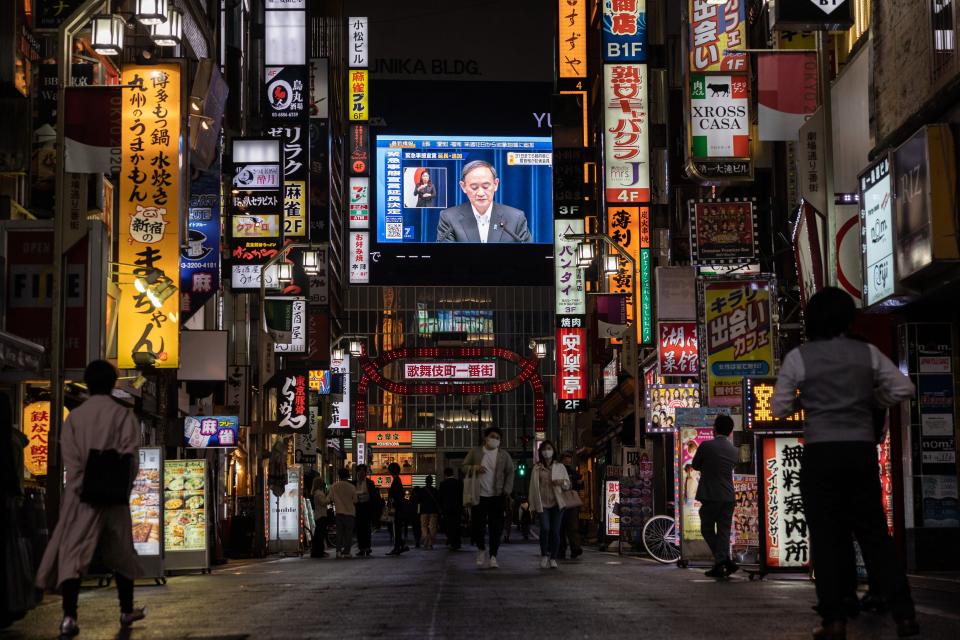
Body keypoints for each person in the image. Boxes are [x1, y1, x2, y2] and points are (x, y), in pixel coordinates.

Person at [772, 287, 919, 640]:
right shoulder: (866, 353)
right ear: (847, 318)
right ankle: (904, 615)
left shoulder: (800, 357)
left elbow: (778, 407)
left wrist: (806, 405)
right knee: (874, 536)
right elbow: (904, 388)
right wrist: (870, 398)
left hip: (821, 454)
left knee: (826, 537)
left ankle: (834, 620)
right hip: (860, 452)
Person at [36, 361, 145, 637]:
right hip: (115, 495)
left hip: (82, 496)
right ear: (113, 383)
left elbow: (71, 461)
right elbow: (131, 458)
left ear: (87, 382)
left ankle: (69, 617)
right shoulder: (123, 416)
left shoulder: (76, 417)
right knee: (121, 551)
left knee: (73, 555)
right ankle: (126, 608)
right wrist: (122, 485)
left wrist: (80, 481)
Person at [691, 414, 739, 579]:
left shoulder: (706, 446)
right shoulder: (734, 450)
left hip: (711, 494)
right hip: (728, 496)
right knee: (724, 531)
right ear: (731, 431)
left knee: (707, 528)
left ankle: (722, 561)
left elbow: (695, 465)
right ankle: (723, 563)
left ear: (714, 429)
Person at [436, 160, 531, 243]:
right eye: (474, 187)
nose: (480, 193)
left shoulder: (516, 218)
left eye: (486, 186)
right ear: (463, 187)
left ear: (495, 184)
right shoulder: (449, 218)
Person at [463, 426, 515, 569]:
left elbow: (511, 472)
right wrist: (474, 468)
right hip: (478, 495)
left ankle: (493, 556)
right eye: (492, 436)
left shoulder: (504, 455)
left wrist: (507, 489)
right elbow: (463, 466)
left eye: (498, 438)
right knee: (477, 526)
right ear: (486, 438)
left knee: (496, 528)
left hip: (497, 496)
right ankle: (481, 549)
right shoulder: (476, 452)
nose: (495, 440)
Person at [528, 440, 571, 569]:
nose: (547, 451)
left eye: (549, 448)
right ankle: (544, 555)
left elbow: (568, 485)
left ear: (553, 451)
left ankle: (553, 557)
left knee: (555, 531)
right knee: (545, 529)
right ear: (541, 452)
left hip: (557, 504)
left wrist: (561, 482)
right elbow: (532, 487)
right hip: (543, 504)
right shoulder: (536, 468)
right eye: (545, 449)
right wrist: (532, 504)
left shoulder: (560, 466)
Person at [558, 452, 583, 560]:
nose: (568, 460)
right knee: (561, 528)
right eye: (566, 458)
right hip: (560, 502)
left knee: (572, 526)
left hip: (571, 502)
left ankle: (575, 548)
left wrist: (579, 482)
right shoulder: (557, 471)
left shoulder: (573, 472)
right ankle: (561, 550)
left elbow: (580, 484)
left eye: (569, 458)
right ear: (562, 459)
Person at [354, 465, 382, 557]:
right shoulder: (353, 483)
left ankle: (368, 547)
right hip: (357, 507)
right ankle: (361, 548)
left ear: (365, 473)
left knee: (367, 528)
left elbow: (374, 496)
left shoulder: (370, 483)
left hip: (367, 507)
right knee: (359, 529)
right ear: (357, 473)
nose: (361, 474)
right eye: (359, 472)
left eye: (363, 472)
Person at [329, 468, 358, 559]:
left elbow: (330, 498)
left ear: (339, 475)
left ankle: (338, 552)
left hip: (339, 512)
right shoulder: (352, 487)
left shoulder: (334, 486)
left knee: (339, 533)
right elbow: (355, 500)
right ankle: (346, 552)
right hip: (350, 513)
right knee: (348, 534)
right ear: (347, 476)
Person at [386, 463, 409, 556]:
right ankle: (400, 545)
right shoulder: (397, 480)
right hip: (399, 509)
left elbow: (396, 496)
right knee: (397, 529)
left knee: (395, 529)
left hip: (396, 509)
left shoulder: (396, 481)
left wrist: (391, 501)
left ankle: (398, 547)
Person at [438, 468, 463, 550]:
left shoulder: (443, 484)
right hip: (457, 508)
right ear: (453, 473)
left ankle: (452, 541)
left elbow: (440, 498)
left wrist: (441, 509)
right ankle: (457, 541)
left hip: (447, 509)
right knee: (457, 525)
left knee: (449, 525)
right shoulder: (459, 483)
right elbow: (461, 496)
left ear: (445, 474)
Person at [416, 475, 441, 550]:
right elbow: (438, 501)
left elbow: (418, 501)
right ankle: (430, 543)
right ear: (432, 482)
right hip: (433, 511)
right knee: (433, 527)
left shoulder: (421, 490)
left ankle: (426, 539)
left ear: (425, 481)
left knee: (424, 526)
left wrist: (418, 511)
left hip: (424, 511)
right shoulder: (435, 490)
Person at [310, 477, 330, 558]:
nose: (323, 483)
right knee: (320, 535)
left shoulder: (316, 492)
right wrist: (329, 498)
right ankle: (318, 552)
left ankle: (317, 551)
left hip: (319, 515)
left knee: (318, 534)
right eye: (322, 482)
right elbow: (323, 502)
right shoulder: (319, 493)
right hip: (321, 515)